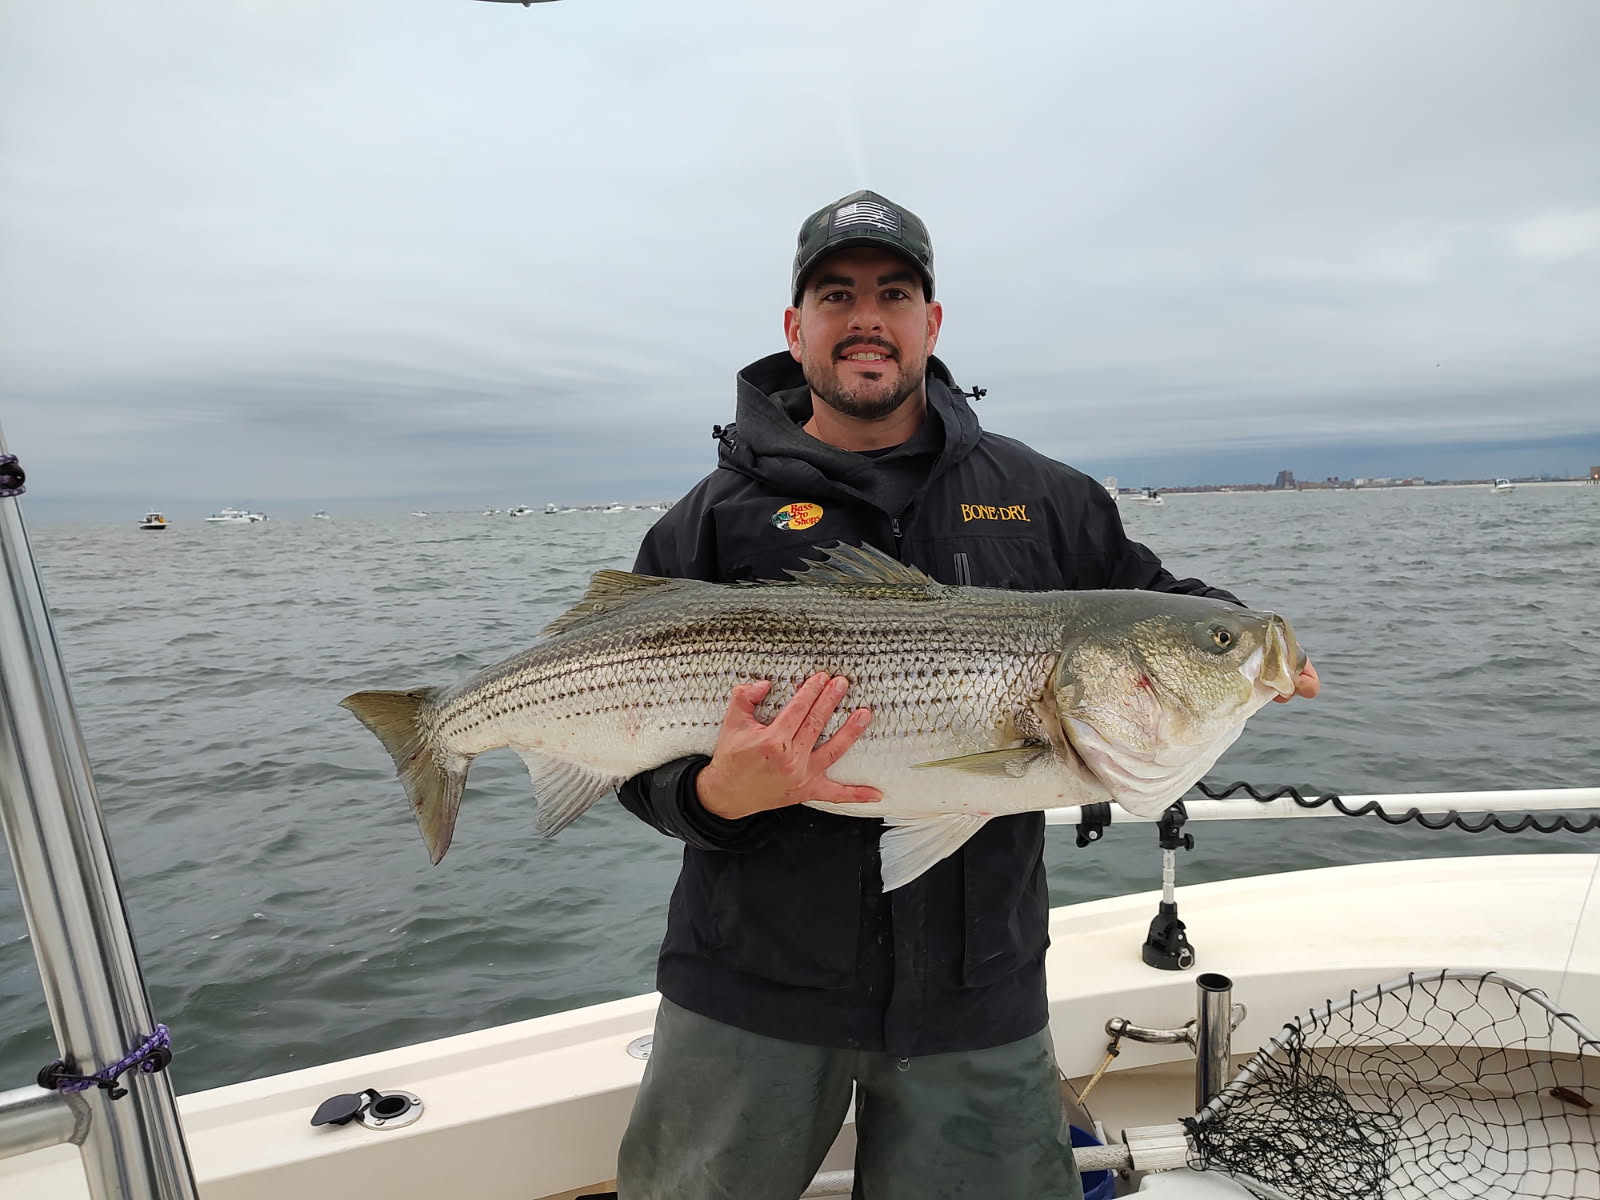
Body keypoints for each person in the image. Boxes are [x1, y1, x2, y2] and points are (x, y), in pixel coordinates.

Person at [614, 189, 1320, 1200]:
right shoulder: (711, 522)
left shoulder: (1046, 497)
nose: (866, 317)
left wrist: (1244, 644)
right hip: (745, 990)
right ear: (793, 327)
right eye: (835, 294)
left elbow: (1163, 603)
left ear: (930, 324)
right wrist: (716, 797)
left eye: (893, 294)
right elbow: (627, 759)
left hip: (974, 996)